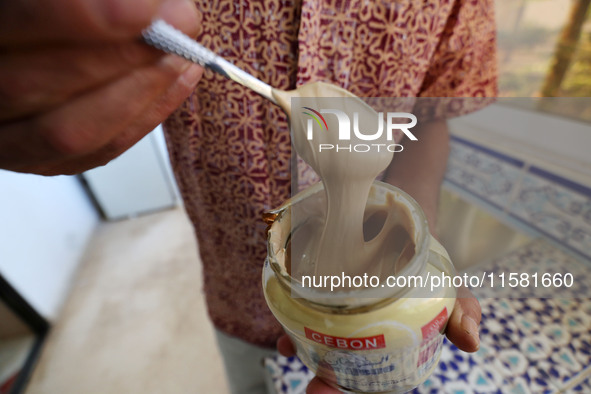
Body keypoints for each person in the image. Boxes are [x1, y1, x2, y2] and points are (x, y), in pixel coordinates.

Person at [0, 0, 495, 393]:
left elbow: (434, 111)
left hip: (395, 280)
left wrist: (424, 241)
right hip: (234, 283)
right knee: (249, 380)